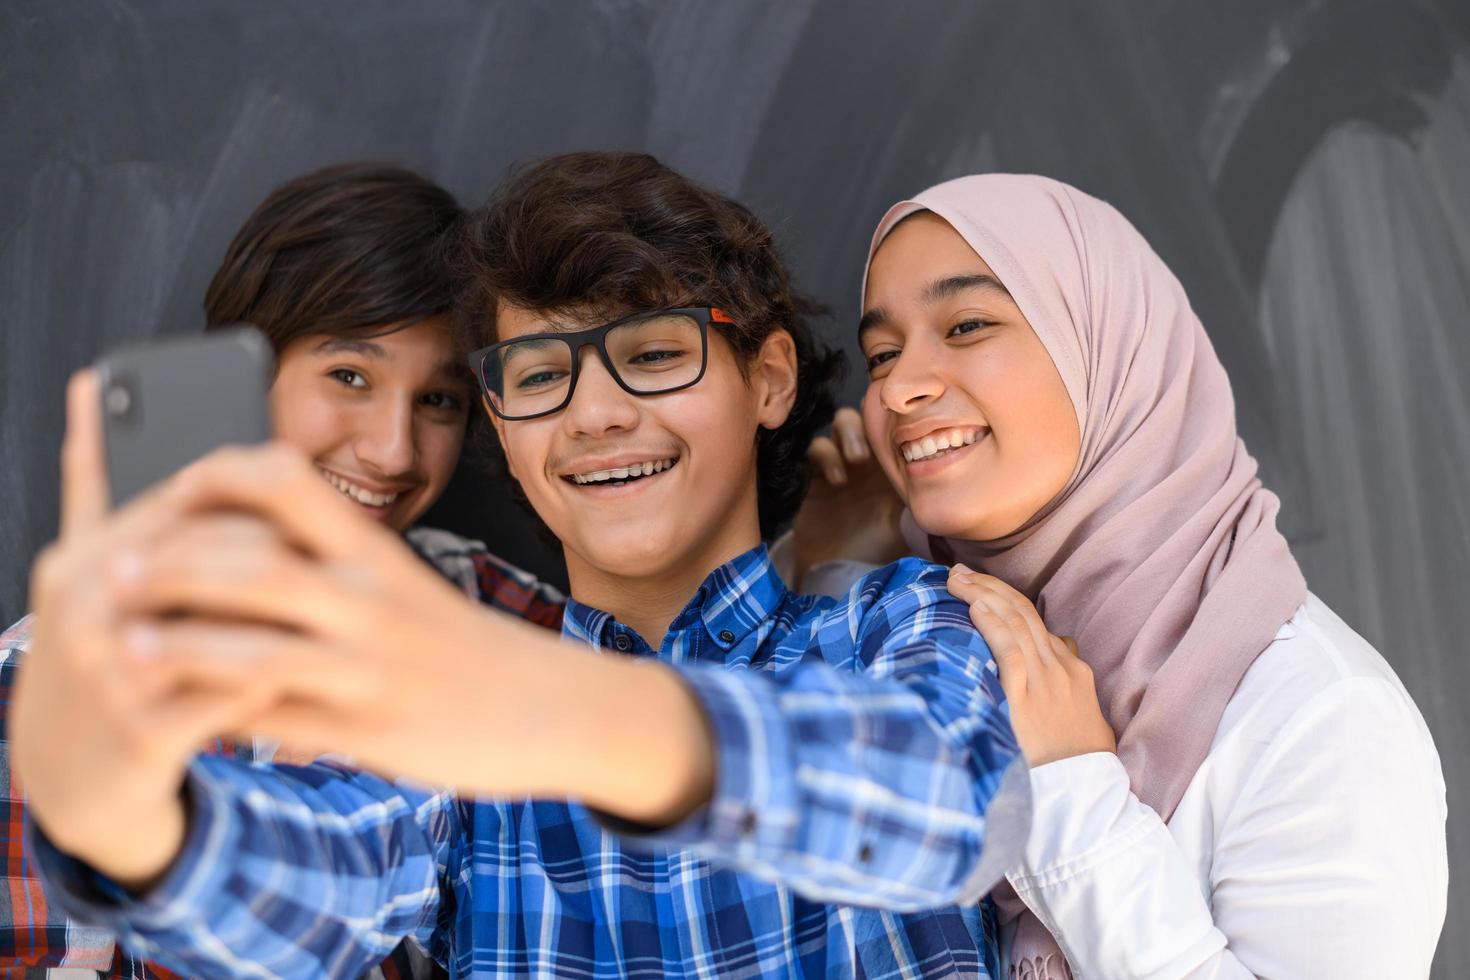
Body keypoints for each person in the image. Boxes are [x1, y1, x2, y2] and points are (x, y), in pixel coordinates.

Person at [13, 152, 1030, 979]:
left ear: (766, 377)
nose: (594, 413)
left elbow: (958, 803)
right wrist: (134, 821)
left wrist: (573, 716)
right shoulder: (458, 745)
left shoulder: (893, 624)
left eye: (657, 353)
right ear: (500, 421)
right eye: (540, 374)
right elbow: (319, 871)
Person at [793, 173, 1449, 977]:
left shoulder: (1320, 718)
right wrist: (828, 571)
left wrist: (1076, 799)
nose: (897, 387)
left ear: (1109, 348)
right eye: (882, 353)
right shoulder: (937, 642)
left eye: (966, 324)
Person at [0, 162, 563, 978]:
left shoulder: (497, 613)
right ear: (248, 376)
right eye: (349, 377)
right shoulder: (52, 678)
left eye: (437, 401)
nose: (392, 452)